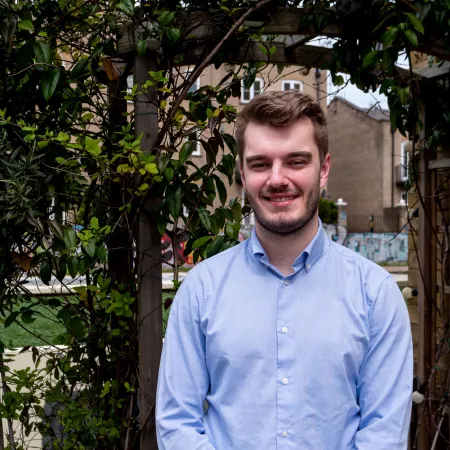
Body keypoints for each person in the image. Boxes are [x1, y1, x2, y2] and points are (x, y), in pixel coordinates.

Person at [156, 90, 413, 449]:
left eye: (295, 161)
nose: (277, 179)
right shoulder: (201, 290)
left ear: (323, 170)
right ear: (243, 174)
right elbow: (176, 423)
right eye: (260, 164)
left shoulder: (376, 295)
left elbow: (383, 434)